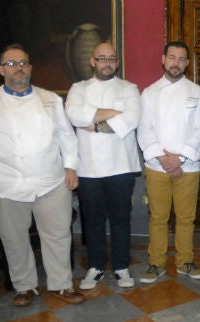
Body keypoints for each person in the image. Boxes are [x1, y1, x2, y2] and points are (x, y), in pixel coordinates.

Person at [0, 44, 85, 306]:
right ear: (1, 69)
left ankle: (61, 284)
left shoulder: (50, 99)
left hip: (51, 182)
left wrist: (71, 167)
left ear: (30, 67)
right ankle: (24, 287)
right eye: (12, 63)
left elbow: (66, 136)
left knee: (59, 235)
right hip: (4, 185)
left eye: (24, 63)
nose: (19, 68)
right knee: (14, 239)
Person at [65, 43, 142, 289]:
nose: (107, 63)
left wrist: (94, 122)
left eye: (111, 59)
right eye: (102, 58)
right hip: (88, 168)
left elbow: (131, 119)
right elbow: (75, 115)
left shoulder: (129, 88)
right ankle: (95, 266)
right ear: (92, 61)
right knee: (93, 220)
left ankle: (121, 266)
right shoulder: (79, 88)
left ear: (117, 62)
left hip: (121, 167)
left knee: (121, 219)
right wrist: (113, 113)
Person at [137, 41, 200, 283]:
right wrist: (164, 158)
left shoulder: (197, 92)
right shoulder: (149, 93)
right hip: (157, 166)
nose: (176, 63)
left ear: (187, 63)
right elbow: (144, 129)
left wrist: (179, 158)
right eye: (172, 57)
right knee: (158, 218)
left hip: (187, 166)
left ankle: (185, 262)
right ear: (163, 59)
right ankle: (155, 263)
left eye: (181, 59)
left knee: (187, 218)